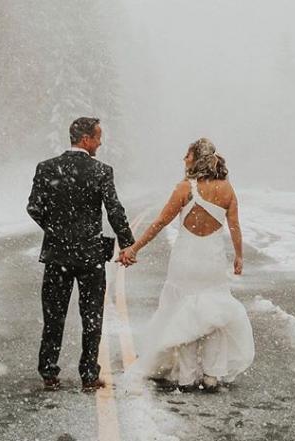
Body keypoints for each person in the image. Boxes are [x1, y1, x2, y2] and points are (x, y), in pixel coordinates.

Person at [120, 138, 254, 392]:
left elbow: (159, 223)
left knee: (182, 311)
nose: (184, 158)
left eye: (188, 155)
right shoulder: (227, 189)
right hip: (212, 261)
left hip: (185, 260)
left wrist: (134, 248)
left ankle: (187, 375)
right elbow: (235, 227)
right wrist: (239, 256)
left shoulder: (184, 188)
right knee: (214, 314)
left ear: (197, 158)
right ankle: (212, 375)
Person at [27, 117, 136, 392]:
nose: (100, 142)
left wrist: (56, 230)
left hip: (56, 256)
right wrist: (127, 243)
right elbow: (114, 209)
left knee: (54, 317)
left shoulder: (46, 168)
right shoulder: (101, 171)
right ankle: (88, 375)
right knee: (92, 317)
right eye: (98, 137)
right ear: (86, 139)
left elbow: (33, 208)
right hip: (90, 255)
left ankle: (49, 373)